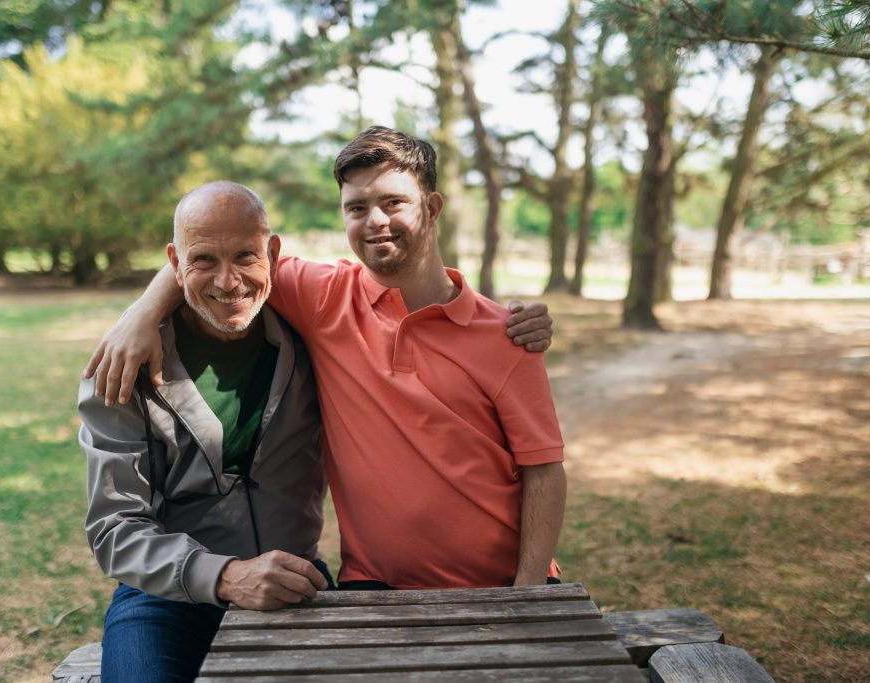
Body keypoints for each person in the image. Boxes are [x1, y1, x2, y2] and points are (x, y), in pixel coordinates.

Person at [85, 127, 565, 590]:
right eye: (357, 207)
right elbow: (217, 254)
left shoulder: (506, 333)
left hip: (502, 583)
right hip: (375, 585)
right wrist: (141, 313)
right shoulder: (323, 297)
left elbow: (543, 469)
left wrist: (527, 590)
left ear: (432, 208)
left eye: (393, 202)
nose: (374, 220)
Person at [79, 182, 332, 683]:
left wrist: (512, 321)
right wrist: (225, 576)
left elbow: (405, 303)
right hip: (165, 597)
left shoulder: (315, 336)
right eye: (203, 261)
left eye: (245, 256)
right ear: (175, 262)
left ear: (273, 253)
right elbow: (114, 529)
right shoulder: (119, 369)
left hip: (294, 581)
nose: (228, 281)